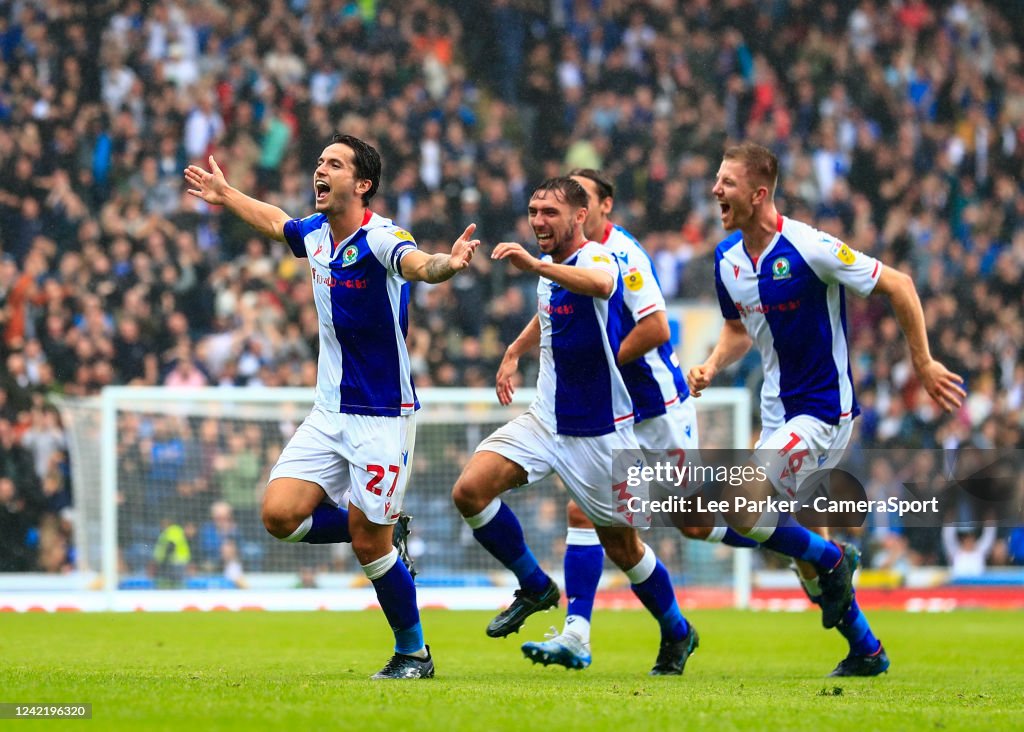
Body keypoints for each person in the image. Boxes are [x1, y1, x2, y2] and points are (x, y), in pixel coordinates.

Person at [184, 133, 480, 679]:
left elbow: (418, 265)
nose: (320, 169)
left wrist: (449, 265)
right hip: (328, 412)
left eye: (334, 164)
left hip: (382, 416)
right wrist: (228, 195)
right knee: (278, 515)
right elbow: (277, 223)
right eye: (320, 161)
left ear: (362, 184)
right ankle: (382, 528)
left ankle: (413, 653)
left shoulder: (382, 238)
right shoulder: (317, 233)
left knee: (372, 550)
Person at [688, 142, 966, 676]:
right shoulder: (727, 261)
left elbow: (900, 285)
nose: (715, 190)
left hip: (822, 413)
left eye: (726, 182)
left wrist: (923, 361)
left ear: (758, 192)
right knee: (806, 561)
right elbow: (737, 330)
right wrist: (712, 365)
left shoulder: (809, 246)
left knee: (745, 507)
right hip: (778, 415)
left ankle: (836, 560)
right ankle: (867, 649)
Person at [451, 177, 699, 676]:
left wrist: (536, 264)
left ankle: (676, 629)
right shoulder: (552, 270)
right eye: (534, 210)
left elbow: (601, 286)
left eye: (550, 212)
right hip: (546, 420)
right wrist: (513, 351)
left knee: (625, 548)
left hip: (601, 433)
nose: (539, 220)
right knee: (469, 490)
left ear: (579, 216)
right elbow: (549, 315)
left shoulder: (598, 258)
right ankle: (536, 586)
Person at [520, 169, 759, 670]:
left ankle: (800, 546)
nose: (567, 209)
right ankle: (582, 632)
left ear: (602, 207)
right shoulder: (566, 260)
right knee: (590, 516)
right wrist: (517, 350)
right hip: (614, 414)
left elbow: (653, 329)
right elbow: (552, 312)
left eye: (579, 199)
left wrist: (602, 366)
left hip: (657, 409)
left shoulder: (625, 257)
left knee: (690, 523)